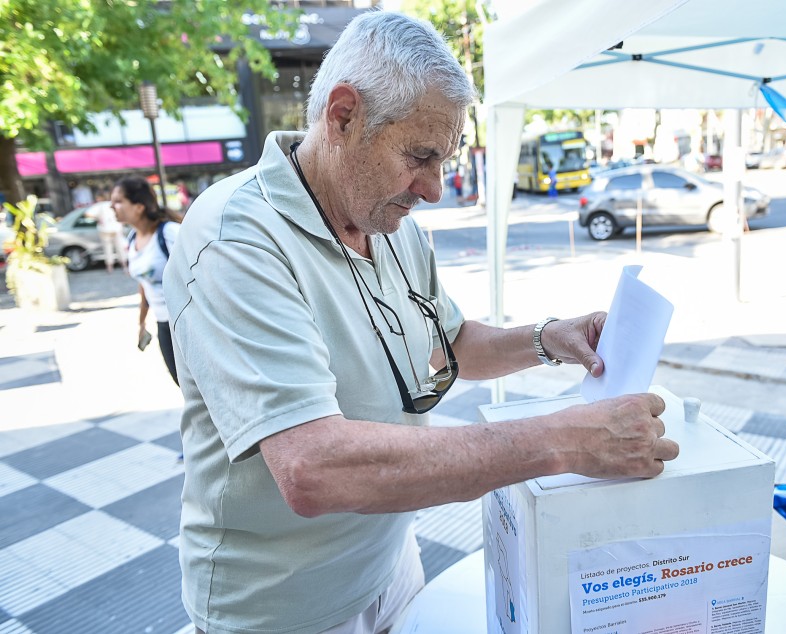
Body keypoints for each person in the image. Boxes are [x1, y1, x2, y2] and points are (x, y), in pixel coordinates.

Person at [163, 12, 678, 634]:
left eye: (445, 160)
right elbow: (313, 468)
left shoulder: (389, 225)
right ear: (343, 116)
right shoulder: (235, 238)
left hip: (390, 564)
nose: (433, 190)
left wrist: (549, 339)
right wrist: (567, 440)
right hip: (282, 610)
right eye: (419, 156)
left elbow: (450, 342)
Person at [111, 176, 180, 385]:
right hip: (163, 324)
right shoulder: (132, 238)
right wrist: (141, 322)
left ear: (139, 206)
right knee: (184, 387)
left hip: (187, 323)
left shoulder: (169, 233)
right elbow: (145, 285)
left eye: (118, 201)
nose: (112, 207)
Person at [85, 200, 127, 273]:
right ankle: (124, 266)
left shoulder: (99, 205)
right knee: (119, 248)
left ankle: (110, 268)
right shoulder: (114, 204)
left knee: (108, 249)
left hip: (105, 229)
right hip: (115, 228)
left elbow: (87, 214)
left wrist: (97, 219)